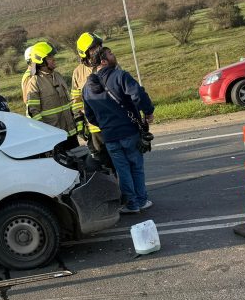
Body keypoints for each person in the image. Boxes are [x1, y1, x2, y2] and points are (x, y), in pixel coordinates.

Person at [82, 45, 155, 214]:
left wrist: (106, 126)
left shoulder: (86, 88)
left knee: (122, 171)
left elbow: (90, 116)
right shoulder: (120, 76)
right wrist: (148, 112)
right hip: (129, 131)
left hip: (109, 136)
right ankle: (142, 200)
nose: (114, 55)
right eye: (110, 53)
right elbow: (138, 94)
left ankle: (131, 204)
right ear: (103, 60)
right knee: (136, 166)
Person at [22, 41, 78, 149]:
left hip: (71, 133)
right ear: (40, 61)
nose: (53, 59)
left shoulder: (58, 76)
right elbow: (33, 112)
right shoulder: (34, 82)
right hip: (54, 138)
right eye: (49, 57)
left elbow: (69, 103)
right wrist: (45, 134)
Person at [71, 32, 108, 164]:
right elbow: (76, 100)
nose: (98, 50)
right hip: (94, 129)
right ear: (84, 53)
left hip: (113, 124)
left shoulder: (109, 64)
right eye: (93, 48)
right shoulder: (78, 72)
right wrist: (80, 122)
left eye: (99, 46)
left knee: (121, 161)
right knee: (102, 162)